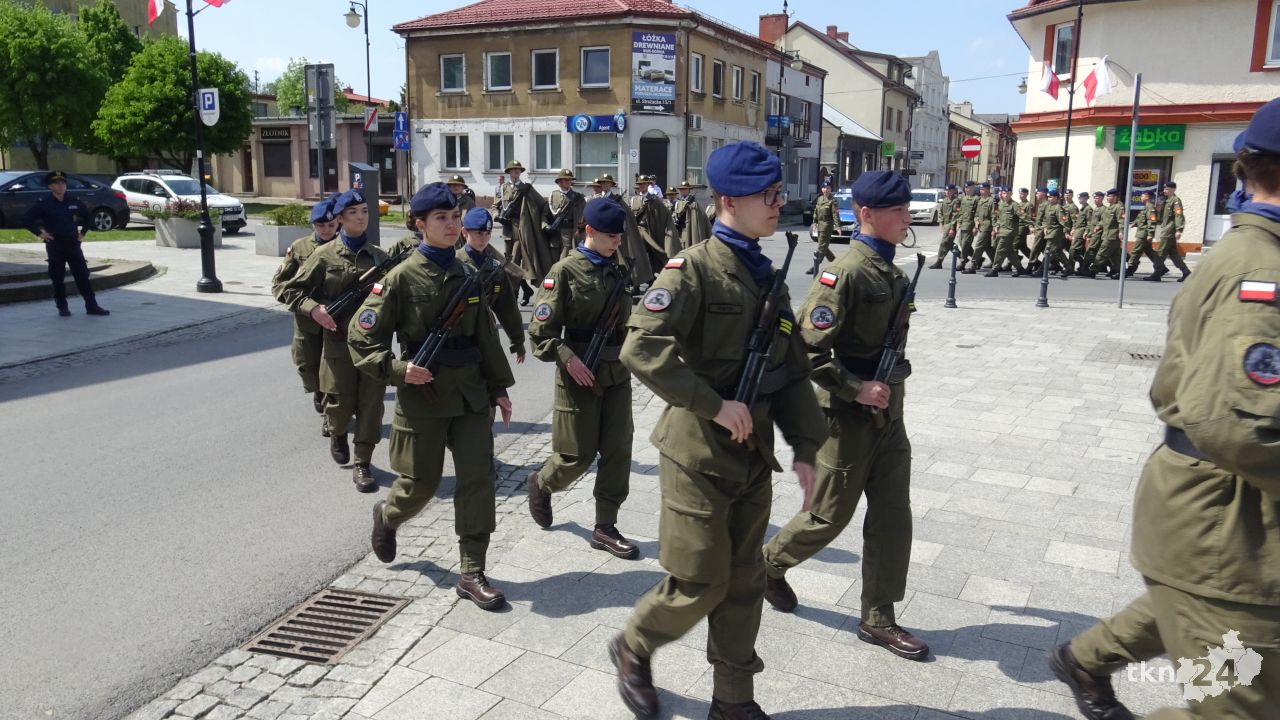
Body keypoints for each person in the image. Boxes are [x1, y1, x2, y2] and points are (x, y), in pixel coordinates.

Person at [1052, 96, 1280, 720]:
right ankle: (1085, 659)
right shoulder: (1260, 272)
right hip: (1226, 519)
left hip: (1221, 520)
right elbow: (1239, 427)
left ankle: (1085, 659)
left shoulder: (1256, 257)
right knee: (1235, 709)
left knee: (1188, 607)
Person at [609, 141, 825, 720]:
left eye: (779, 193)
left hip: (751, 454)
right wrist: (714, 404)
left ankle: (733, 700)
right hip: (697, 454)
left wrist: (807, 446)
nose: (778, 203)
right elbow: (640, 348)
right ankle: (634, 643)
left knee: (745, 581)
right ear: (729, 201)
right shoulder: (693, 269)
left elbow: (790, 371)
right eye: (767, 195)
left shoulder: (767, 275)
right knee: (701, 578)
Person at [762, 169, 930, 664]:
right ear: (867, 214)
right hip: (846, 418)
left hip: (889, 416)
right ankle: (767, 565)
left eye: (907, 209)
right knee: (827, 516)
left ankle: (878, 617)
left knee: (893, 516)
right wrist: (857, 389)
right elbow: (806, 349)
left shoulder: (891, 270)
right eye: (898, 210)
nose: (906, 217)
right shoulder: (846, 272)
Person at [348, 183, 516, 610]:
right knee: (420, 485)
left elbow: (485, 337)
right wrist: (398, 370)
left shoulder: (470, 275)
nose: (452, 225)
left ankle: (472, 570)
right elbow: (361, 338)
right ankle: (388, 515)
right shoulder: (400, 278)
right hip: (423, 395)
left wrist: (499, 388)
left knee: (478, 480)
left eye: (455, 217)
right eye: (441, 218)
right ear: (419, 224)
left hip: (471, 396)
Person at [525, 199, 639, 559]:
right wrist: (566, 357)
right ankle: (542, 482)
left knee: (618, 452)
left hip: (616, 374)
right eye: (610, 236)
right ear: (589, 231)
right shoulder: (563, 272)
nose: (617, 242)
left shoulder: (619, 270)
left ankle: (605, 526)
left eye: (619, 236)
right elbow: (540, 333)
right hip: (579, 375)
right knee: (577, 456)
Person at [279, 190, 389, 492]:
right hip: (338, 342)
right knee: (339, 403)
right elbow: (290, 290)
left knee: (371, 406)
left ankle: (362, 463)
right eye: (353, 212)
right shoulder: (323, 255)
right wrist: (314, 309)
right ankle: (338, 432)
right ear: (339, 218)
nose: (361, 217)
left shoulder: (379, 258)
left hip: (372, 345)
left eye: (364, 211)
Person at [272, 198, 340, 421]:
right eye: (321, 225)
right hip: (307, 320)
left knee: (336, 369)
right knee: (308, 365)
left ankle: (332, 418)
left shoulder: (345, 247)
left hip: (338, 319)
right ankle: (319, 393)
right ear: (313, 225)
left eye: (331, 225)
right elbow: (280, 285)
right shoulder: (299, 248)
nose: (327, 230)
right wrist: (307, 305)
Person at [24, 171, 109, 317]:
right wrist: (40, 233)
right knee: (57, 277)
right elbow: (27, 220)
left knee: (82, 276)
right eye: (57, 183)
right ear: (50, 186)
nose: (61, 185)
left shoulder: (73, 201)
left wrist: (82, 233)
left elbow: (88, 217)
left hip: (73, 245)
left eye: (63, 182)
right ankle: (62, 307)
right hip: (55, 245)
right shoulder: (44, 204)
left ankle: (92, 306)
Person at [459, 207, 526, 364]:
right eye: (478, 233)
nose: (484, 239)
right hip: (458, 337)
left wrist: (518, 341)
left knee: (498, 377)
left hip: (487, 336)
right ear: (464, 232)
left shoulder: (495, 267)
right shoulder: (455, 264)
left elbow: (507, 307)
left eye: (487, 233)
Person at [495, 160, 541, 303]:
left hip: (520, 229)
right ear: (509, 172)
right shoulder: (503, 188)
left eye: (518, 169)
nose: (516, 171)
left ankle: (513, 295)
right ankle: (526, 290)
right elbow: (495, 205)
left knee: (514, 262)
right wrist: (496, 216)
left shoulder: (526, 187)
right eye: (513, 169)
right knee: (508, 264)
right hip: (507, 229)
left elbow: (540, 203)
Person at [1145, 181, 1193, 282]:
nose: (1164, 191)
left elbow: (1179, 215)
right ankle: (1186, 272)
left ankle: (1157, 273)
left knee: (1160, 252)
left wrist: (1179, 229)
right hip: (1166, 228)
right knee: (1173, 254)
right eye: (1164, 189)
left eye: (1167, 189)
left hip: (1169, 230)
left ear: (1173, 189)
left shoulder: (1175, 201)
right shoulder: (1167, 200)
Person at [544, 169, 585, 261]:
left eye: (570, 180)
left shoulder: (577, 197)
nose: (568, 181)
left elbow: (582, 214)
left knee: (565, 255)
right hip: (555, 231)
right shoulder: (553, 195)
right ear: (559, 182)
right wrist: (545, 226)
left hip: (568, 231)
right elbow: (545, 214)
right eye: (566, 179)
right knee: (553, 256)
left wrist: (579, 228)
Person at [1125, 191, 1167, 278]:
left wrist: (1150, 234)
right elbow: (1140, 219)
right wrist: (1134, 224)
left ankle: (1130, 269)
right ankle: (1162, 267)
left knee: (1136, 251)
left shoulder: (1151, 208)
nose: (1141, 197)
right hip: (1142, 232)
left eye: (1142, 195)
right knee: (1150, 252)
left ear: (1147, 197)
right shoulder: (1145, 207)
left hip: (1144, 234)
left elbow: (1151, 221)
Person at [986, 187, 1026, 277]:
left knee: (1000, 250)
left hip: (1009, 232)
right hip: (1001, 231)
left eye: (1008, 193)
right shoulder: (1001, 204)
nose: (1006, 195)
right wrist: (996, 226)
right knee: (1009, 251)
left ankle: (994, 270)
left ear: (1011, 194)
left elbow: (1023, 216)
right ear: (1002, 194)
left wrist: (1031, 225)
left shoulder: (1015, 205)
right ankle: (1020, 269)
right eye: (1004, 193)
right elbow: (998, 217)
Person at [1086, 189, 1124, 279]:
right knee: (1115, 256)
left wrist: (1121, 231)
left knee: (1102, 253)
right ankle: (1119, 271)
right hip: (1107, 235)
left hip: (1112, 235)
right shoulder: (1110, 207)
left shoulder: (1119, 207)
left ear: (1115, 197)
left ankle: (1093, 270)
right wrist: (1098, 226)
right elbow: (1103, 220)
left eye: (1109, 196)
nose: (1107, 198)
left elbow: (1121, 221)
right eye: (1107, 196)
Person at [809, 181, 838, 275]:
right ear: (822, 189)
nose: (826, 190)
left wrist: (838, 226)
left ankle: (815, 266)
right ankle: (835, 262)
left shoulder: (832, 200)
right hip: (820, 225)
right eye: (824, 188)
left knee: (821, 246)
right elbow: (816, 211)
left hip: (827, 226)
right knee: (824, 246)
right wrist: (814, 222)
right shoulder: (820, 199)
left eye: (828, 188)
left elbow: (835, 214)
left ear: (830, 189)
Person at [672, 179, 712, 249]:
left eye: (685, 189)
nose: (683, 191)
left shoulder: (693, 203)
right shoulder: (678, 203)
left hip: (690, 228)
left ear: (689, 190)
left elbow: (698, 217)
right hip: (681, 228)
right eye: (681, 189)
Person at [967, 182, 995, 273]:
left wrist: (994, 228)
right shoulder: (981, 200)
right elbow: (976, 214)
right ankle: (996, 263)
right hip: (980, 226)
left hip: (987, 228)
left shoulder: (991, 201)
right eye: (980, 189)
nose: (981, 191)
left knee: (978, 246)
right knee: (987, 247)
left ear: (988, 190)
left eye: (983, 189)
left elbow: (994, 216)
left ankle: (973, 265)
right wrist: (976, 222)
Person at [928, 184, 958, 270]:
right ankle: (966, 258)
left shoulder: (956, 201)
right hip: (945, 224)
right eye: (946, 190)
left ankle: (939, 262)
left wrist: (952, 228)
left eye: (949, 190)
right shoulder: (945, 200)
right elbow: (940, 212)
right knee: (949, 244)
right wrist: (940, 223)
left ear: (953, 191)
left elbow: (955, 215)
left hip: (951, 224)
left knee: (944, 243)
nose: (947, 192)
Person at [447, 175, 476, 248]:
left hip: (463, 238)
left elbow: (474, 220)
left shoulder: (469, 202)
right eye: (453, 185)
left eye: (459, 185)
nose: (456, 187)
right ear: (449, 187)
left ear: (463, 187)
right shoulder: (445, 201)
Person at [955, 181, 978, 269]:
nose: (967, 189)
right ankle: (978, 259)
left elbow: (978, 214)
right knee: (962, 243)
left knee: (965, 245)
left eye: (968, 188)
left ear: (973, 188)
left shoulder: (976, 199)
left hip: (970, 226)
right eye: (966, 188)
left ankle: (962, 262)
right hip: (963, 225)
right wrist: (959, 222)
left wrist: (975, 227)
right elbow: (961, 212)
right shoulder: (964, 199)